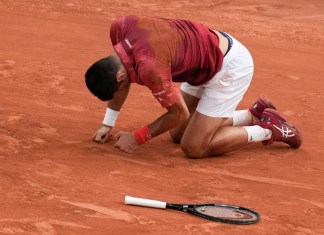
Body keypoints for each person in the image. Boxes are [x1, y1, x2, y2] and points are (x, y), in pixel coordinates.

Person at [85, 15, 302, 158]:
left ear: (120, 77)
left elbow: (178, 113)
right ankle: (252, 114)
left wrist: (138, 137)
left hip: (230, 67)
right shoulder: (120, 27)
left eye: (122, 85)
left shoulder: (150, 68)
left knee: (194, 147)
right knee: (178, 135)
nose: (124, 87)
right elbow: (120, 79)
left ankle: (268, 129)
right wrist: (107, 124)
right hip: (202, 58)